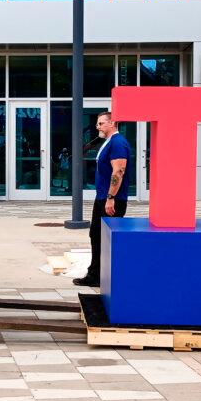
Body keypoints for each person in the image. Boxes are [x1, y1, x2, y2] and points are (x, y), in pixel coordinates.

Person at [74, 111, 130, 287]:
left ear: (112, 123)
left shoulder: (118, 143)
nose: (97, 126)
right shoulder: (109, 142)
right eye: (97, 123)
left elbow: (118, 171)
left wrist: (111, 198)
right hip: (103, 198)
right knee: (96, 236)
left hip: (111, 200)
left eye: (101, 123)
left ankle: (100, 277)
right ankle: (96, 275)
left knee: (103, 238)